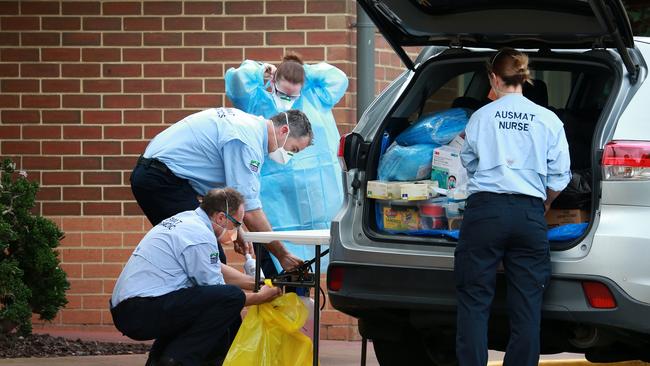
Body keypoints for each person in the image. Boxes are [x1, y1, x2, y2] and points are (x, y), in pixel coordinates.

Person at [455, 48, 571, 366]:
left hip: (485, 213)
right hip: (529, 214)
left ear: (493, 78)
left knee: (474, 300)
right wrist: (542, 203)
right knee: (528, 305)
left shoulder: (481, 116)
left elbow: (468, 162)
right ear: (524, 77)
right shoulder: (548, 120)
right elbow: (560, 175)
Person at [110, 188, 282, 366]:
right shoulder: (199, 236)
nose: (237, 232)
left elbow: (215, 269)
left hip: (134, 307)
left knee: (204, 301)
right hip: (139, 311)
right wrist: (260, 297)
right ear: (221, 218)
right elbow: (220, 295)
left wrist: (257, 283)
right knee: (228, 301)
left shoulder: (189, 219)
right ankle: (178, 360)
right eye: (237, 225)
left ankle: (162, 359)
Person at [130, 107, 313, 272]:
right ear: (284, 131)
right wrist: (283, 254)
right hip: (161, 180)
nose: (289, 156)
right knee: (208, 256)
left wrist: (237, 230)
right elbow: (250, 210)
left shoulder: (247, 125)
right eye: (293, 149)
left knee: (205, 257)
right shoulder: (247, 140)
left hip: (162, 178)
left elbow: (226, 197)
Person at [225, 52, 348, 276]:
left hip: (318, 199)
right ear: (273, 81)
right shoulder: (256, 99)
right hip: (275, 202)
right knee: (280, 268)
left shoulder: (316, 96)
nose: (288, 99)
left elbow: (338, 78)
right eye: (283, 92)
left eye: (294, 93)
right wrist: (260, 70)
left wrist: (303, 71)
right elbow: (236, 81)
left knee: (313, 263)